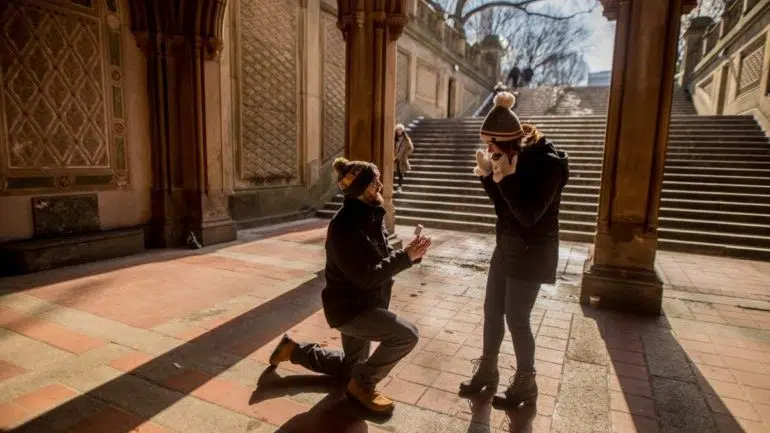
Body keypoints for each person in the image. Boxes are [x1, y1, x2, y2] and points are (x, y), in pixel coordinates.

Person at [269, 157, 432, 415]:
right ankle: (362, 384)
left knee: (350, 366)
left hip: (366, 303)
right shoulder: (344, 227)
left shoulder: (370, 215)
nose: (380, 184)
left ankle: (294, 350)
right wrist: (406, 257)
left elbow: (384, 257)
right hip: (351, 311)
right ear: (362, 189)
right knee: (407, 335)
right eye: (374, 181)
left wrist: (411, 251)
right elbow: (365, 277)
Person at [460, 91, 569, 409]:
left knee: (517, 317)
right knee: (492, 310)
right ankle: (488, 369)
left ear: (508, 141)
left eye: (492, 145)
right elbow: (503, 209)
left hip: (533, 251)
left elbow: (528, 215)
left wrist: (503, 178)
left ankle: (526, 382)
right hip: (506, 245)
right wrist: (488, 177)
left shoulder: (546, 166)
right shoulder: (506, 157)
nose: (489, 150)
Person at [394, 124, 414, 193]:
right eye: (397, 130)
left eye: (400, 130)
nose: (399, 131)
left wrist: (405, 154)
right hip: (394, 158)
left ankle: (399, 187)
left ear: (402, 130)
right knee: (393, 173)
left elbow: (411, 148)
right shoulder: (394, 138)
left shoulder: (406, 139)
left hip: (402, 159)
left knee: (400, 173)